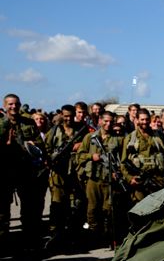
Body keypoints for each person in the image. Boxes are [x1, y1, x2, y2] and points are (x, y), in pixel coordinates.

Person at [1, 93, 47, 250]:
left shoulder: (28, 122)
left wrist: (34, 145)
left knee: (29, 209)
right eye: (10, 104)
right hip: (5, 172)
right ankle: (4, 244)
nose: (14, 107)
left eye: (16, 104)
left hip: (25, 171)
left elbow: (41, 145)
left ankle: (28, 244)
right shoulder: (1, 123)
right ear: (5, 105)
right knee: (2, 212)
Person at [76, 111, 125, 246]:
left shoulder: (118, 139)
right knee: (92, 209)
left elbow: (123, 159)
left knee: (109, 210)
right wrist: (91, 157)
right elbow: (79, 156)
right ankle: (94, 236)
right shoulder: (89, 138)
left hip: (109, 179)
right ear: (99, 121)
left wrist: (118, 172)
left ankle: (107, 236)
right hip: (93, 178)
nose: (108, 124)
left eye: (111, 122)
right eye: (105, 121)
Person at [45, 104, 89, 246]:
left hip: (75, 171)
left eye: (70, 115)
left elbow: (87, 146)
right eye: (65, 115)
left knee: (76, 203)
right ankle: (55, 233)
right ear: (61, 115)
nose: (68, 118)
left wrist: (80, 145)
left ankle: (73, 233)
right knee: (57, 203)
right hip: (58, 172)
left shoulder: (80, 130)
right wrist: (52, 158)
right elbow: (46, 148)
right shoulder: (54, 131)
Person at [121, 109, 164, 202]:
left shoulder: (158, 136)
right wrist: (130, 179)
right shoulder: (130, 139)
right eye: (142, 119)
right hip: (140, 182)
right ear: (137, 120)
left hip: (158, 180)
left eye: (147, 119)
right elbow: (123, 162)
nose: (145, 122)